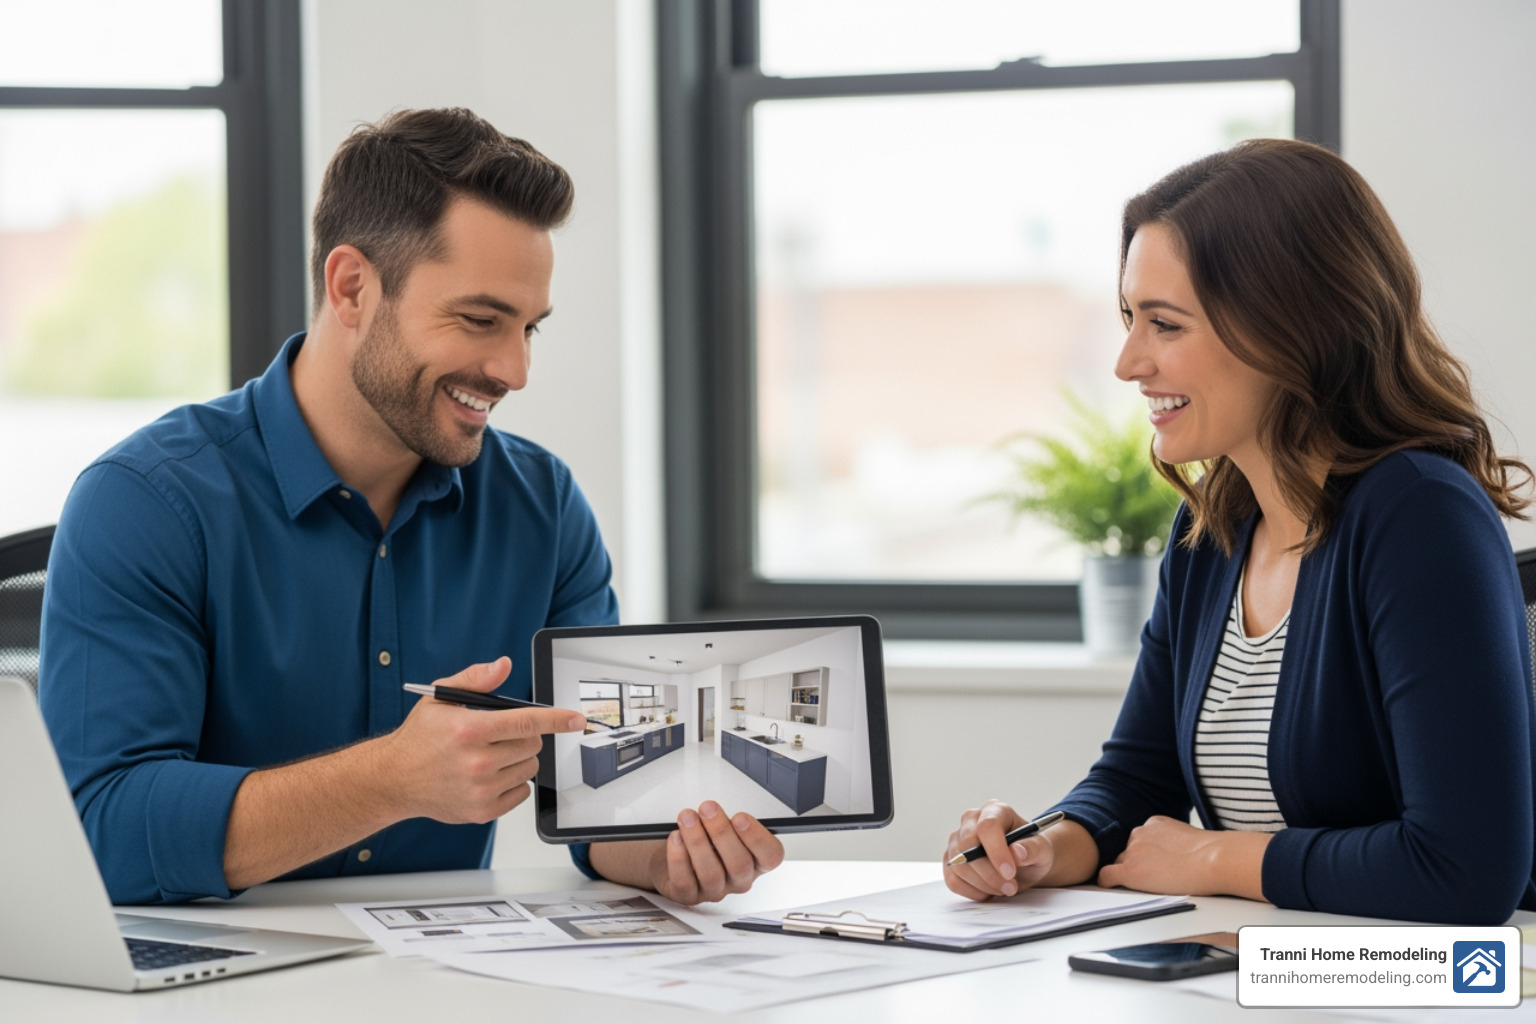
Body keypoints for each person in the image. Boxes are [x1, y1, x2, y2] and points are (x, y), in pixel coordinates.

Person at [39, 107, 783, 906]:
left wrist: (662, 856)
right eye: (480, 319)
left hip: (445, 980)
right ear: (352, 286)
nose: (515, 369)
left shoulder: (544, 506)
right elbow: (99, 834)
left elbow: (596, 795)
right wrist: (390, 781)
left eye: (530, 327)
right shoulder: (148, 502)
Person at [942, 138, 1535, 925]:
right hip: (1271, 971)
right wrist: (1045, 845)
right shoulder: (1212, 529)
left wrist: (1220, 856)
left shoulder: (1420, 516)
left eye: (1165, 324)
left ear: (1287, 326)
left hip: (1426, 985)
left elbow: (1466, 871)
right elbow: (1136, 782)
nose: (1127, 363)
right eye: (1129, 318)